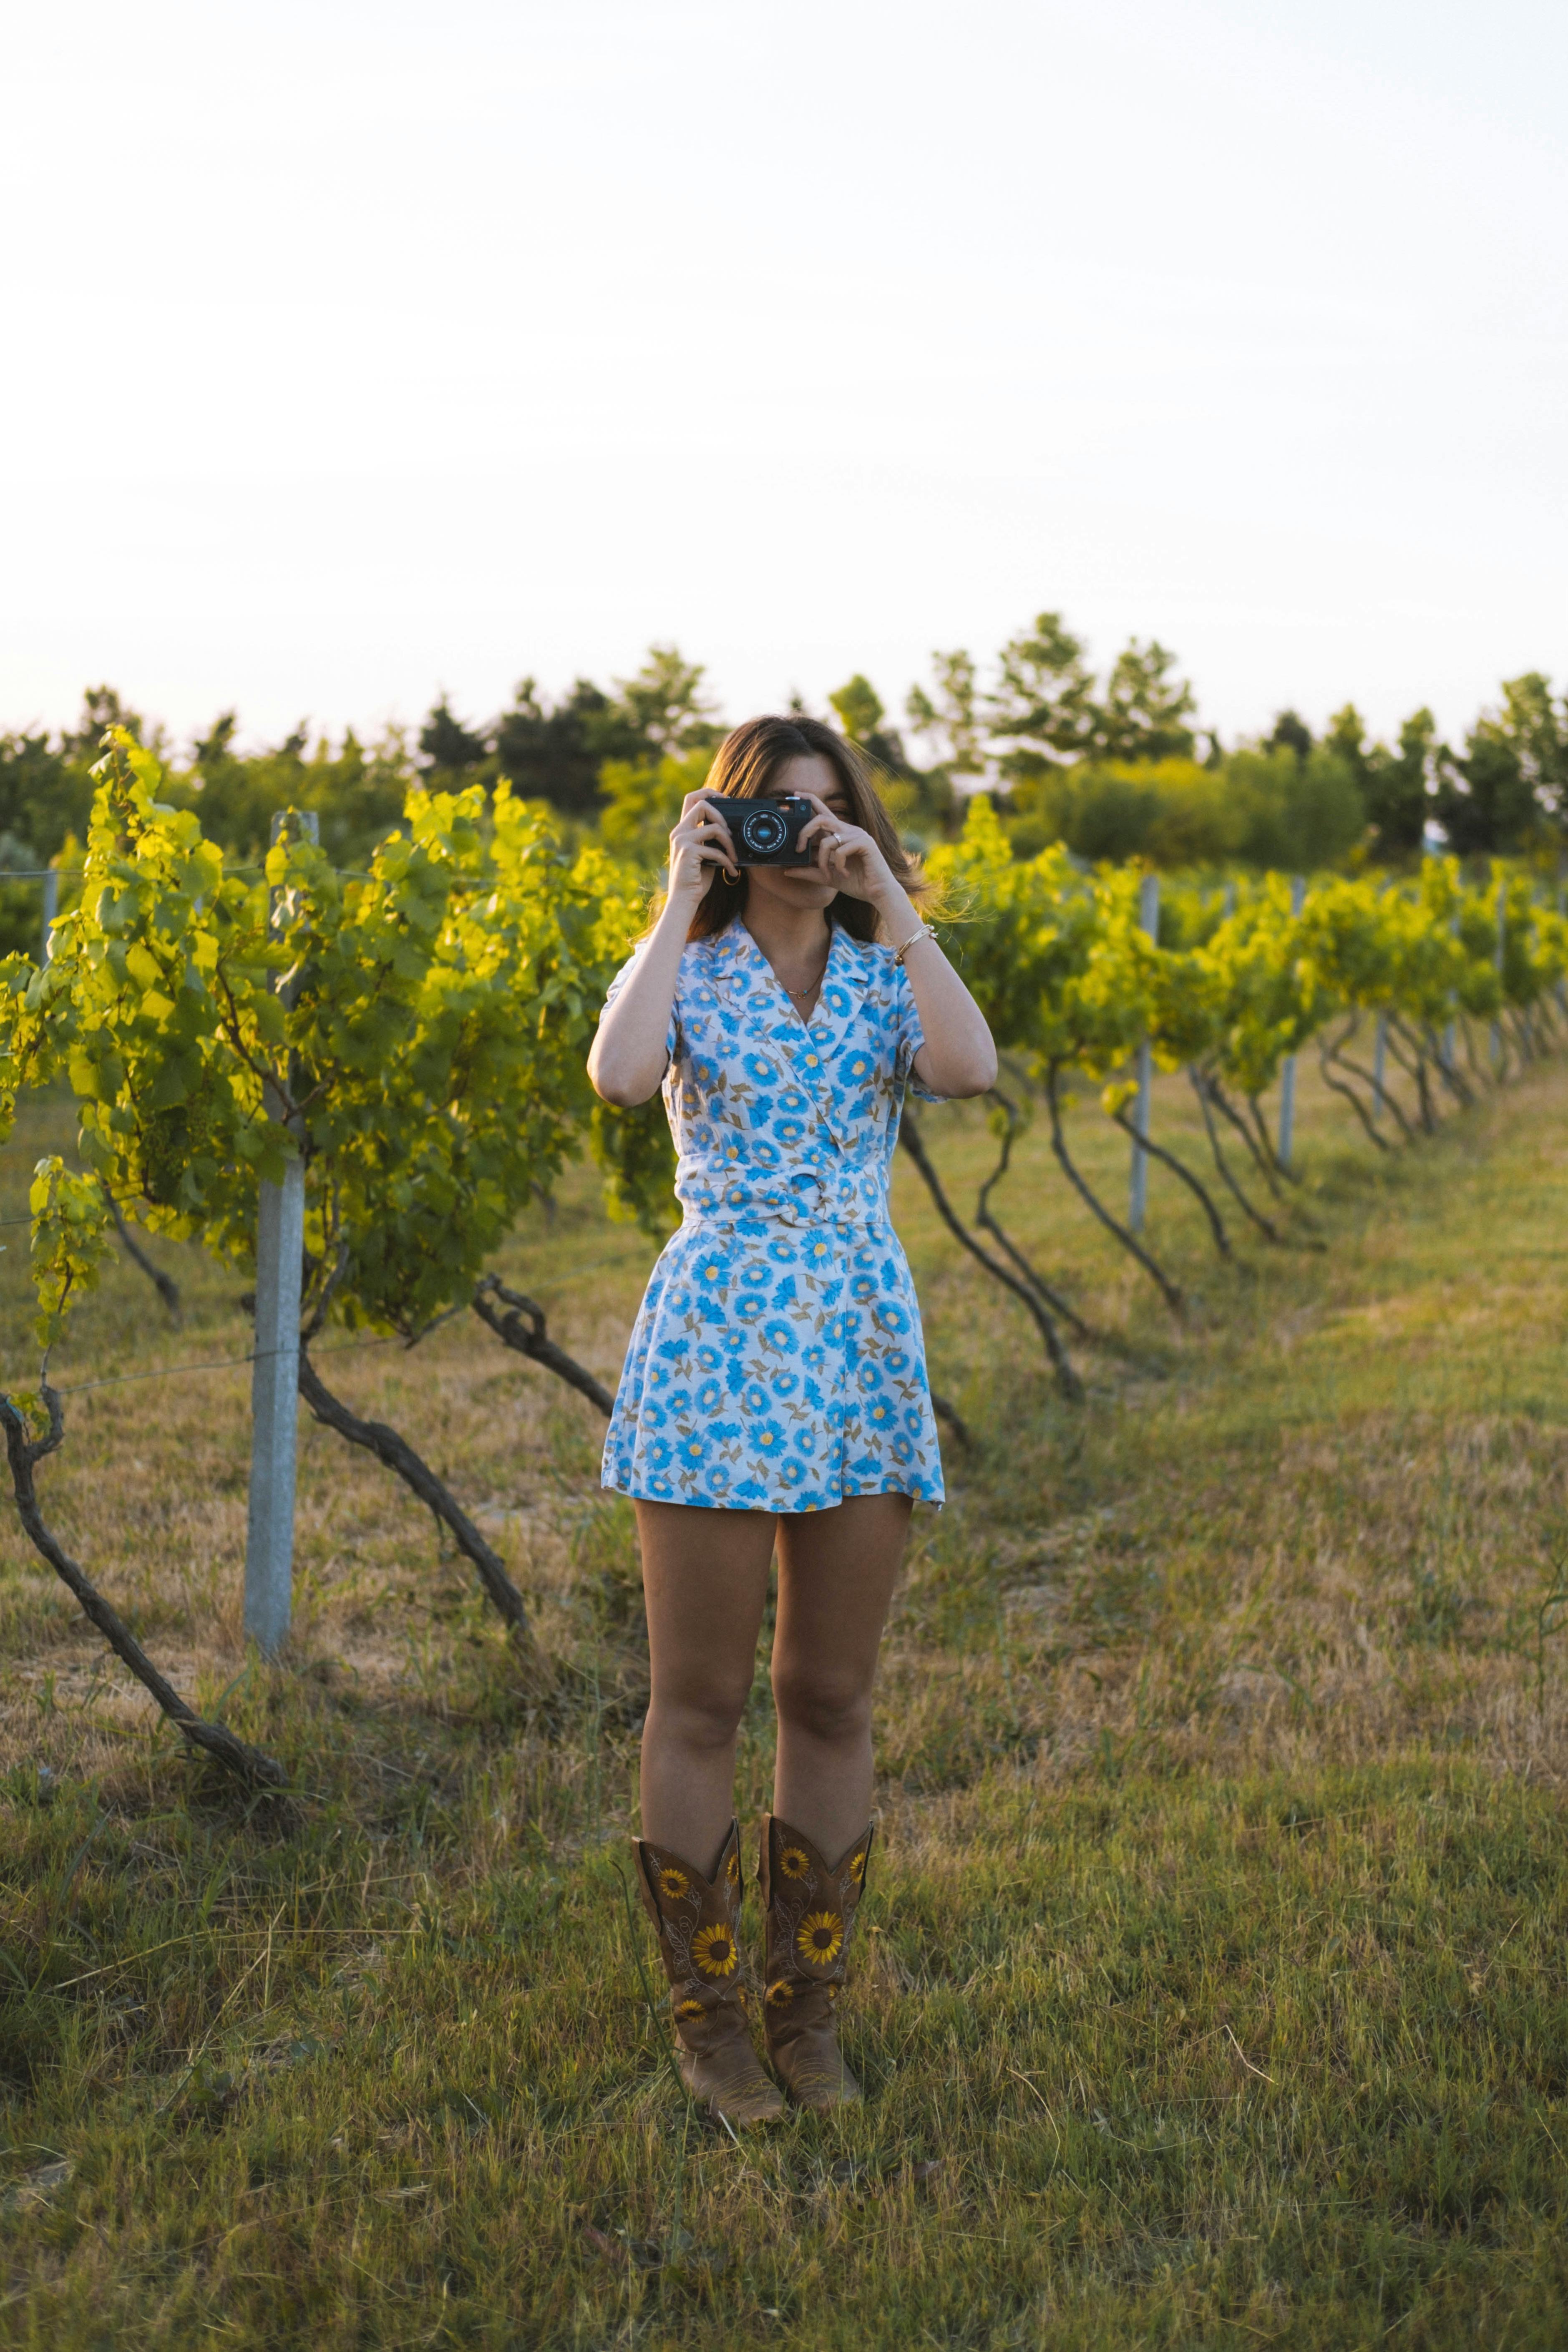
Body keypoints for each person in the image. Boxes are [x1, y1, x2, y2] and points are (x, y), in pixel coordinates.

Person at [588, 713, 996, 2124]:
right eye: (779, 817)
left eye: (834, 818)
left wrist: (892, 900)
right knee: (698, 1700)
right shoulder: (684, 973)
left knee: (827, 1693)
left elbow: (969, 1070)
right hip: (715, 1341)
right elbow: (621, 1077)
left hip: (854, 1344)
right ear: (729, 826)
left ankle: (805, 2013)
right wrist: (669, 898)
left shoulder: (890, 975)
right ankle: (709, 2029)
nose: (806, 842)